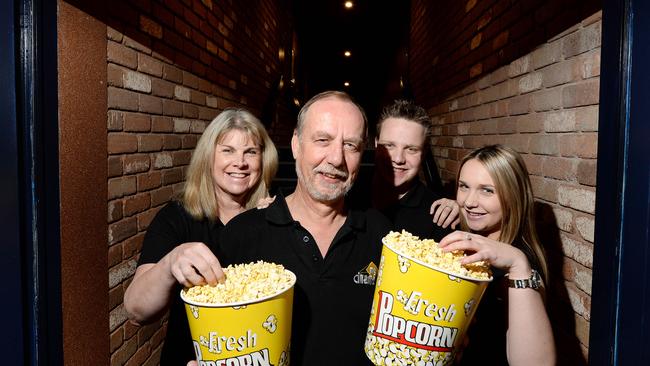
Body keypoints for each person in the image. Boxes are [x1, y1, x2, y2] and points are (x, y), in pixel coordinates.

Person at [209, 91, 392, 365]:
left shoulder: (384, 236)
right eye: (322, 140)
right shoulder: (241, 235)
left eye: (351, 145)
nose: (336, 159)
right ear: (296, 144)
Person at [123, 108, 279, 366]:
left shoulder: (275, 217)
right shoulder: (177, 217)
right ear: (208, 157)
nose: (240, 162)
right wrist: (171, 263)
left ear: (264, 159)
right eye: (227, 150)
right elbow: (136, 310)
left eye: (250, 152)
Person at [438, 144, 555, 365]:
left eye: (487, 190)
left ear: (513, 196)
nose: (469, 202)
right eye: (464, 186)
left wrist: (519, 265)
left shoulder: (522, 266)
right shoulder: (463, 236)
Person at [348, 99, 458, 241]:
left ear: (423, 153)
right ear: (376, 144)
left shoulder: (439, 218)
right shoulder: (347, 189)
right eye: (389, 145)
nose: (398, 159)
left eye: (411, 149)